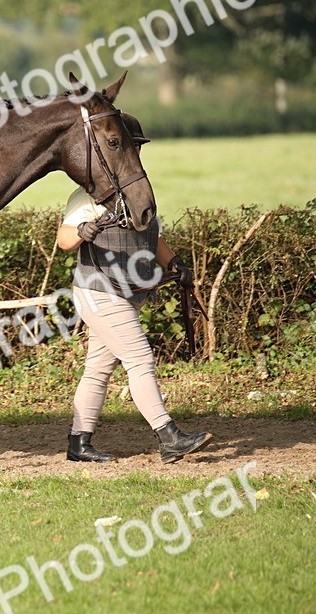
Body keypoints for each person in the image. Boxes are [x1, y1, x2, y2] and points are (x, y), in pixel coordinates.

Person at [56, 150, 213, 464]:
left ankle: (79, 444)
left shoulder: (138, 192)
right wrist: (82, 231)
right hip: (99, 292)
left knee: (98, 369)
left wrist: (175, 262)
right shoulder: (87, 196)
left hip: (125, 293)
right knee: (139, 358)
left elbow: (152, 237)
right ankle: (169, 436)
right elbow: (63, 239)